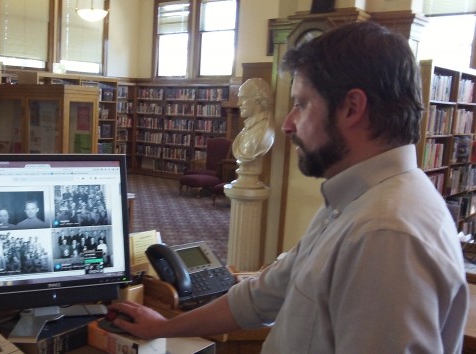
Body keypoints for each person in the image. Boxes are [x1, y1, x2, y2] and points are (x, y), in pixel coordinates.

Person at [109, 21, 469, 353]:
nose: (288, 125)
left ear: (351, 107)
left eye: (301, 104)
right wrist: (165, 325)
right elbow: (262, 297)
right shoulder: (350, 203)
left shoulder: (386, 233)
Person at [231, 77, 275, 163]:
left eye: (243, 98)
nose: (238, 103)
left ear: (258, 99)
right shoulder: (249, 128)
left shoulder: (263, 131)